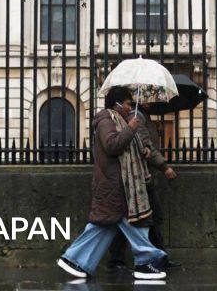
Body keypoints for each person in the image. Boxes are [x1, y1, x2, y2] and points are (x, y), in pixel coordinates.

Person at [57, 86, 168, 280]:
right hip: (115, 185)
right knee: (133, 224)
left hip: (121, 185)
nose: (129, 107)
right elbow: (112, 145)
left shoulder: (121, 120)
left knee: (104, 226)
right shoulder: (105, 121)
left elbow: (129, 147)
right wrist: (132, 127)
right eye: (127, 103)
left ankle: (75, 260)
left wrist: (144, 150)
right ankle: (146, 260)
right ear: (117, 104)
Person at [106, 104, 179, 273]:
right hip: (138, 176)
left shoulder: (142, 114)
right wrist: (164, 166)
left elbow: (144, 144)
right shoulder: (136, 114)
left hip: (140, 174)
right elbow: (142, 144)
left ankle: (149, 257)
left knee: (135, 218)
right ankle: (152, 258)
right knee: (146, 217)